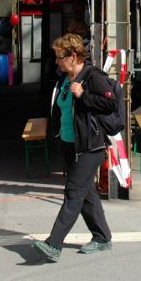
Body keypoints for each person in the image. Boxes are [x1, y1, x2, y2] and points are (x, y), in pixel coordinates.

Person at [34, 33, 116, 262]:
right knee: (86, 193)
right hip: (70, 144)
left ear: (73, 56)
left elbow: (111, 103)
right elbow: (61, 108)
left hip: (91, 147)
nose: (57, 62)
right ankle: (102, 237)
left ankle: (54, 244)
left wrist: (84, 95)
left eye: (60, 57)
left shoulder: (92, 77)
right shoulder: (65, 78)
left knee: (73, 192)